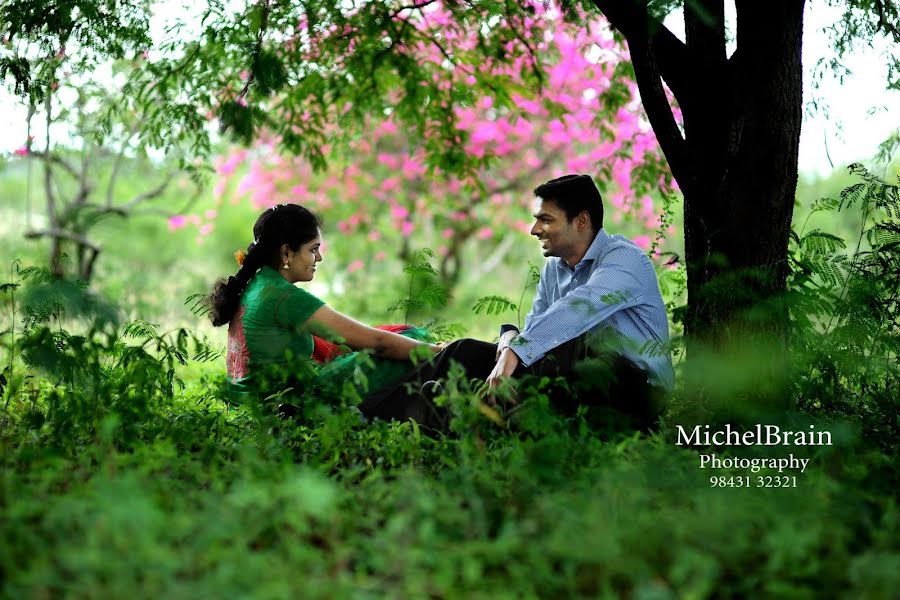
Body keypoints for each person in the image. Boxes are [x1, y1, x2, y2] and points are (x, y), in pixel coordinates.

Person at [360, 174, 674, 432]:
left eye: (546, 220)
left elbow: (579, 309)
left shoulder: (625, 260)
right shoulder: (556, 267)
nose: (534, 229)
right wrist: (510, 341)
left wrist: (514, 351)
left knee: (573, 349)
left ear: (581, 221)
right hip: (576, 375)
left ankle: (458, 412)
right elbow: (536, 327)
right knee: (465, 351)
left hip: (636, 390)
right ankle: (364, 415)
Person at [207, 203, 441, 407]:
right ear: (286, 253)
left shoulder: (256, 284)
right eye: (313, 249)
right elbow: (377, 343)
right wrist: (440, 351)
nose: (318, 258)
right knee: (411, 338)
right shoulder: (281, 295)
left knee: (400, 340)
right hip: (288, 406)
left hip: (250, 406)